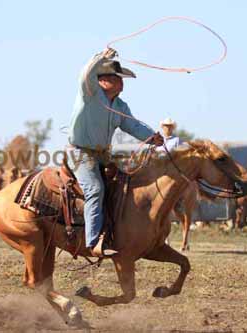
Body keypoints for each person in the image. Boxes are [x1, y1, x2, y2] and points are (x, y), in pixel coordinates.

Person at [68, 48, 163, 257]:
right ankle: (92, 243)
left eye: (120, 78)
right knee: (94, 189)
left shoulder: (120, 105)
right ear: (101, 81)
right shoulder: (90, 93)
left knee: (124, 186)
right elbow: (85, 73)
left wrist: (151, 138)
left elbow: (134, 126)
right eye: (115, 77)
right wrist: (101, 57)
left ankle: (116, 232)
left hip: (102, 155)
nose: (121, 82)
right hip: (80, 153)